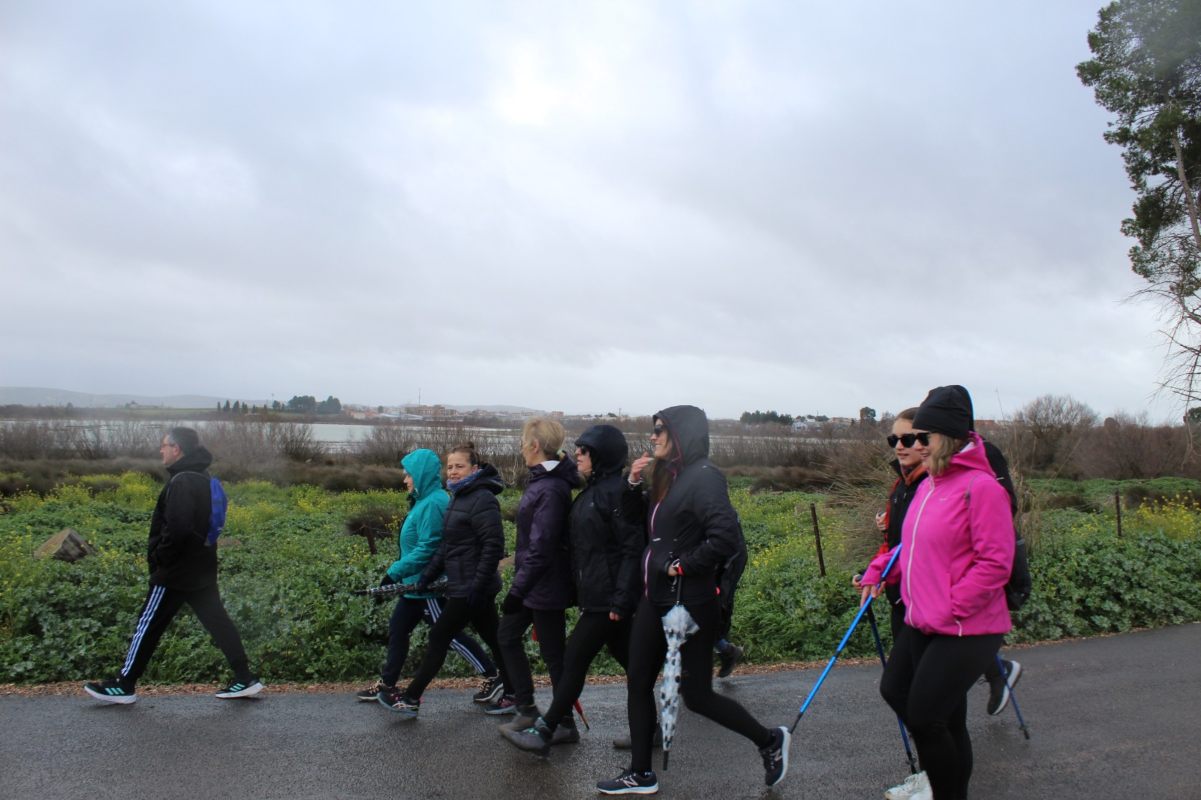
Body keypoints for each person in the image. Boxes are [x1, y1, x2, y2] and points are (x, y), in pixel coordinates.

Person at [596, 406, 790, 795]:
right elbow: (647, 526)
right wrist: (634, 486)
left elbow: (725, 538)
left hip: (690, 602)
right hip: (655, 599)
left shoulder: (704, 477)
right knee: (637, 680)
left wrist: (682, 565)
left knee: (697, 696)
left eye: (659, 430)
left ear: (682, 434)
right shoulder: (669, 475)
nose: (652, 437)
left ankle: (769, 740)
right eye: (652, 430)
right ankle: (641, 773)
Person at [859, 387, 1015, 800]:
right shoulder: (929, 486)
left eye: (922, 437)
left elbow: (996, 563)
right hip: (923, 617)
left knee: (927, 714)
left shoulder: (980, 488)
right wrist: (880, 566)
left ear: (946, 437)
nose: (913, 446)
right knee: (899, 692)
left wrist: (951, 606)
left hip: (966, 625)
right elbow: (915, 546)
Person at [84, 427, 261, 704]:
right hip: (201, 567)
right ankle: (245, 677)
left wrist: (159, 558)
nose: (161, 450)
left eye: (164, 445)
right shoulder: (203, 477)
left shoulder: (181, 481)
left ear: (177, 449)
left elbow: (177, 529)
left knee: (148, 624)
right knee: (218, 622)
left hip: (176, 571)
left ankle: (124, 684)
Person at [500, 423, 643, 755]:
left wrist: (622, 599)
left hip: (607, 599)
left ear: (600, 455)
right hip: (595, 595)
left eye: (584, 450)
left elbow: (631, 548)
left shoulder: (614, 493)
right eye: (577, 448)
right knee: (634, 665)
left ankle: (547, 729)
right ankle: (650, 729)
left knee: (573, 659)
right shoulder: (591, 492)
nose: (576, 453)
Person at [355, 449, 503, 707]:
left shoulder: (435, 503)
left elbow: (432, 547)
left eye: (409, 474)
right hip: (415, 584)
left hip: (430, 587)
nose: (405, 480)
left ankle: (492, 676)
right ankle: (388, 684)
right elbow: (443, 546)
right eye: (451, 466)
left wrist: (394, 573)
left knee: (448, 636)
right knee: (399, 629)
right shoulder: (424, 501)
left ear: (421, 475)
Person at [490, 417, 579, 734]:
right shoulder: (542, 481)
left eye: (522, 442)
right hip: (537, 582)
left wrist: (517, 590)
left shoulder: (551, 488)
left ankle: (564, 723)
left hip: (545, 584)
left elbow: (542, 546)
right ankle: (527, 708)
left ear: (536, 446)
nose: (520, 448)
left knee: (554, 655)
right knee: (508, 636)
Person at [714, 520, 747, 678]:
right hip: (711, 554)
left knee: (721, 607)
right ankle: (726, 651)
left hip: (729, 558)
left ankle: (726, 651)